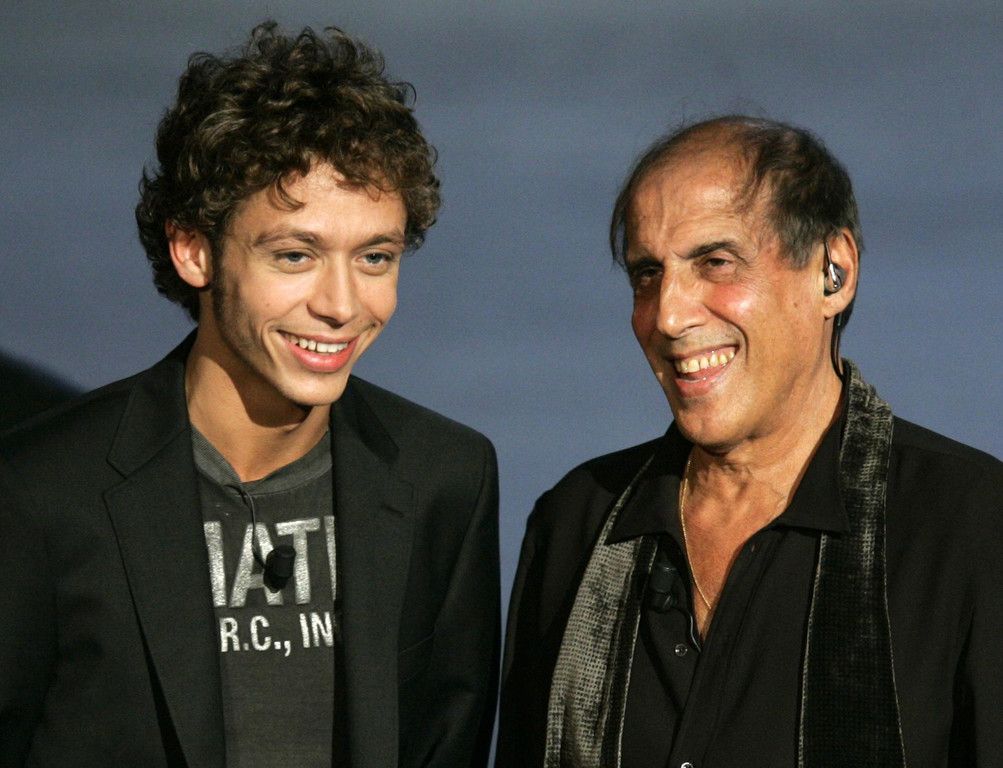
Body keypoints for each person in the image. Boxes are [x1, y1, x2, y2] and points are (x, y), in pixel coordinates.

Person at [0, 22, 499, 768]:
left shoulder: (445, 479)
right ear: (194, 249)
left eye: (375, 257)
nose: (341, 305)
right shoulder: (40, 490)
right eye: (295, 255)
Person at [497, 116, 1002, 767]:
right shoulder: (578, 523)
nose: (668, 315)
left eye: (715, 262)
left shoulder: (968, 524)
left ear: (833, 271)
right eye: (647, 274)